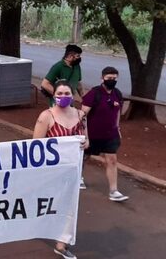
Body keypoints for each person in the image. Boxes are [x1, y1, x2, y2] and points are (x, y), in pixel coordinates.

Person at [33, 80, 88, 259]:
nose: (63, 97)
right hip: (51, 172)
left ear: (72, 96)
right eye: (60, 94)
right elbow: (36, 147)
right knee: (49, 203)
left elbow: (87, 141)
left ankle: (61, 244)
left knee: (69, 205)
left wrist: (83, 144)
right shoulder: (46, 117)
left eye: (67, 94)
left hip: (72, 172)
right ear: (54, 95)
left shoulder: (81, 116)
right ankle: (39, 225)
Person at [81, 66, 128, 202]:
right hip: (93, 134)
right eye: (109, 78)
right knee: (84, 157)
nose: (112, 81)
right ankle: (78, 177)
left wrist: (117, 128)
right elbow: (83, 115)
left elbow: (118, 111)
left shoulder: (117, 94)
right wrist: (85, 136)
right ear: (102, 78)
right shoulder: (94, 93)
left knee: (112, 160)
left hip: (110, 135)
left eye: (114, 78)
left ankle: (114, 191)